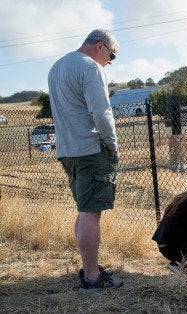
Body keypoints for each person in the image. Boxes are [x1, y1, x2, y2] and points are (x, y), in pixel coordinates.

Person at [48, 29, 122, 290]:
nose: (110, 61)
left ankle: (89, 267)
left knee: (84, 210)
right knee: (91, 213)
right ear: (99, 46)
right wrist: (112, 144)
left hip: (67, 150)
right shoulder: (91, 68)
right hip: (90, 149)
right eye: (111, 55)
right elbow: (101, 113)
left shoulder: (57, 66)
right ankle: (91, 276)